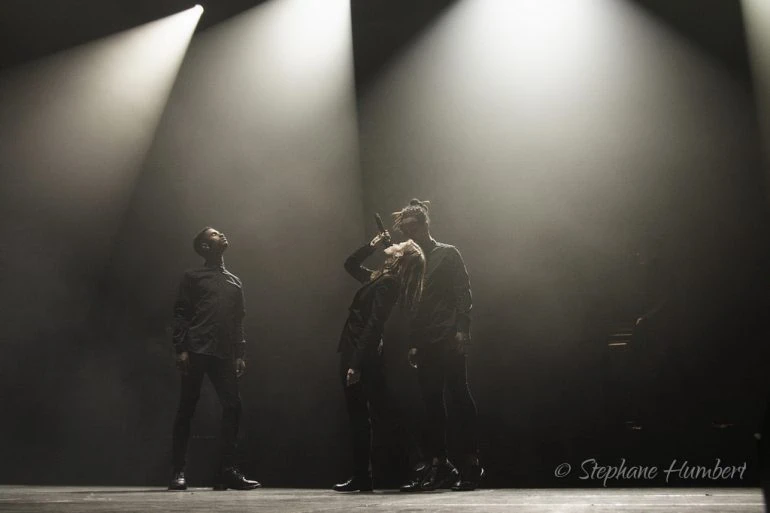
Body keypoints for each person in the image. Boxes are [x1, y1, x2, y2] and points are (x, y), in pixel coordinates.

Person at [393, 199, 484, 492]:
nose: (410, 234)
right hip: (426, 339)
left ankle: (471, 464)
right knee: (432, 402)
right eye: (405, 230)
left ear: (424, 225)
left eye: (413, 228)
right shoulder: (411, 259)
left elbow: (463, 291)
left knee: (458, 395)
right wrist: (413, 342)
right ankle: (440, 465)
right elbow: (412, 303)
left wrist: (462, 329)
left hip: (447, 335)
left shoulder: (447, 253)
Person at [168, 227, 260, 491]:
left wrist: (240, 353)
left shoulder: (235, 281)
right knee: (187, 407)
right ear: (205, 247)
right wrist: (181, 348)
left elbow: (238, 320)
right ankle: (178, 471)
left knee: (233, 407)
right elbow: (181, 313)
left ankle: (226, 472)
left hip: (223, 354)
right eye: (215, 234)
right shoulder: (193, 276)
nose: (222, 235)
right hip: (196, 349)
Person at [334, 232, 426, 492]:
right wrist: (372, 245)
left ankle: (416, 468)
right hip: (355, 348)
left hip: (362, 353)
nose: (394, 244)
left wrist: (357, 362)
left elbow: (374, 324)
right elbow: (350, 264)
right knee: (361, 416)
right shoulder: (379, 278)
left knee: (382, 414)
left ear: (400, 258)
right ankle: (363, 476)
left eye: (400, 245)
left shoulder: (389, 283)